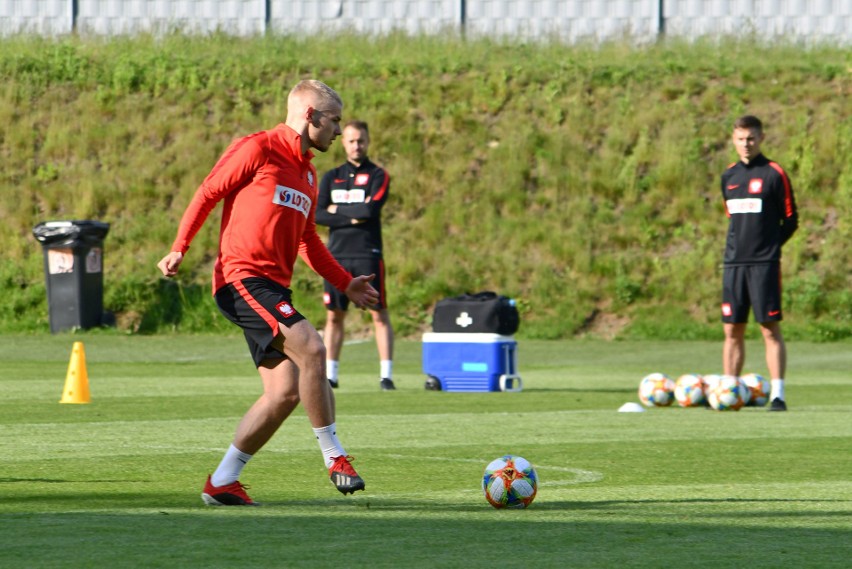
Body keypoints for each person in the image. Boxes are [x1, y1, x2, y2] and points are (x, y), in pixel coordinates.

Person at [157, 79, 378, 505]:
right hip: (242, 277)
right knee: (313, 349)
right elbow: (208, 192)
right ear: (310, 115)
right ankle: (335, 456)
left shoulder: (310, 174)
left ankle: (222, 482)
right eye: (334, 120)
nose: (337, 129)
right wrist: (179, 247)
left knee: (285, 392)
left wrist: (345, 283)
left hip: (272, 286)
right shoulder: (258, 148)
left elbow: (307, 241)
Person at [719, 114, 798, 411]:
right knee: (732, 329)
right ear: (733, 140)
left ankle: (778, 395)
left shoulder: (774, 174)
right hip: (734, 264)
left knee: (768, 327)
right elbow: (733, 219)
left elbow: (790, 219)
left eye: (751, 138)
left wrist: (769, 248)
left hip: (764, 264)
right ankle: (729, 392)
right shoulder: (728, 177)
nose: (746, 144)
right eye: (740, 139)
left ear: (761, 138)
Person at [316, 121, 395, 391]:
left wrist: (338, 211)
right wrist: (352, 215)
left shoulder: (379, 175)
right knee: (334, 316)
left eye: (360, 140)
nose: (356, 145)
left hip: (367, 254)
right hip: (336, 256)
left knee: (378, 313)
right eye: (351, 141)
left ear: (368, 141)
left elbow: (369, 212)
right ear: (343, 142)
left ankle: (386, 376)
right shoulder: (331, 177)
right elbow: (317, 214)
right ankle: (331, 375)